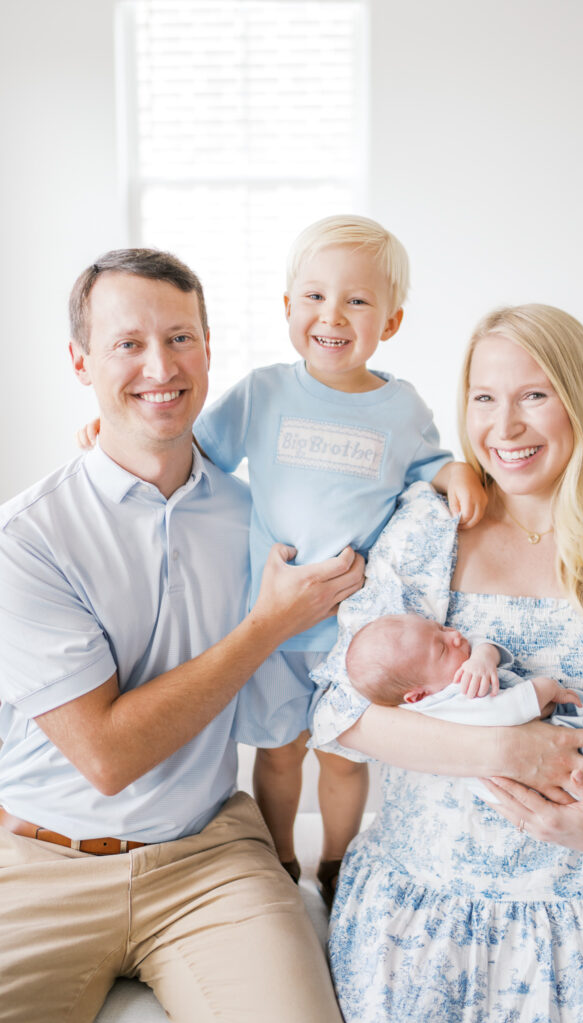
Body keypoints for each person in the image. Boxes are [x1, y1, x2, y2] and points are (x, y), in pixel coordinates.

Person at [0, 249, 365, 1023]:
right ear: (81, 362)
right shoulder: (20, 539)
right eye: (128, 343)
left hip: (208, 855)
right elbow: (106, 757)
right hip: (38, 863)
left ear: (208, 351)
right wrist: (266, 626)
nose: (161, 366)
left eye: (180, 338)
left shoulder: (260, 519)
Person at [308, 303, 583, 1022]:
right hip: (422, 924)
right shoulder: (428, 530)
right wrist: (508, 749)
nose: (503, 428)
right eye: (484, 398)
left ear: (581, 402)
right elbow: (340, 711)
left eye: (533, 395)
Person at [78, 215, 486, 904]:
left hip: (356, 629)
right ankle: (280, 859)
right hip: (271, 622)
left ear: (390, 322)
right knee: (277, 752)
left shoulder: (401, 407)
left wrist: (456, 473)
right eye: (315, 297)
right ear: (288, 307)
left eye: (358, 300)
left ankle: (337, 863)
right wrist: (116, 433)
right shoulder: (264, 392)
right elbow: (192, 448)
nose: (333, 315)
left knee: (345, 756)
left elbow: (428, 464)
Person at [346, 612, 583, 829]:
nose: (456, 635)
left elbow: (481, 643)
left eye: (441, 627)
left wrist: (482, 657)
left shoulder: (438, 685)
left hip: (556, 768)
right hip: (563, 772)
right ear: (417, 695)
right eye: (442, 646)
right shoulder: (453, 700)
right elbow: (510, 710)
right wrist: (548, 687)